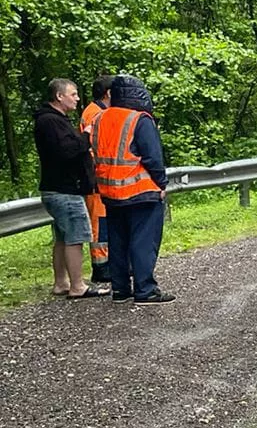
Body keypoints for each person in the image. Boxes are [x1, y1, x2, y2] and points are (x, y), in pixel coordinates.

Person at [91, 75, 172, 304]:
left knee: (118, 242)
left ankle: (121, 290)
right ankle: (145, 290)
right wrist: (161, 184)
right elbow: (153, 157)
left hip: (109, 191)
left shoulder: (99, 118)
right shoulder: (139, 119)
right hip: (140, 191)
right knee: (143, 241)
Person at [33, 79, 108, 299]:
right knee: (75, 238)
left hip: (60, 188)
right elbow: (67, 151)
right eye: (73, 94)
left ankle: (61, 282)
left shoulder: (55, 120)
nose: (77, 98)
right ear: (59, 96)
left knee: (63, 238)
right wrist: (87, 136)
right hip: (65, 190)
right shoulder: (50, 122)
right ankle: (77, 285)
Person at [79, 75, 114, 284]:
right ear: (108, 93)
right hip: (95, 179)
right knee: (99, 224)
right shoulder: (96, 114)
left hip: (98, 177)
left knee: (103, 223)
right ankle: (100, 267)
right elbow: (92, 148)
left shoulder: (96, 111)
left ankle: (106, 263)